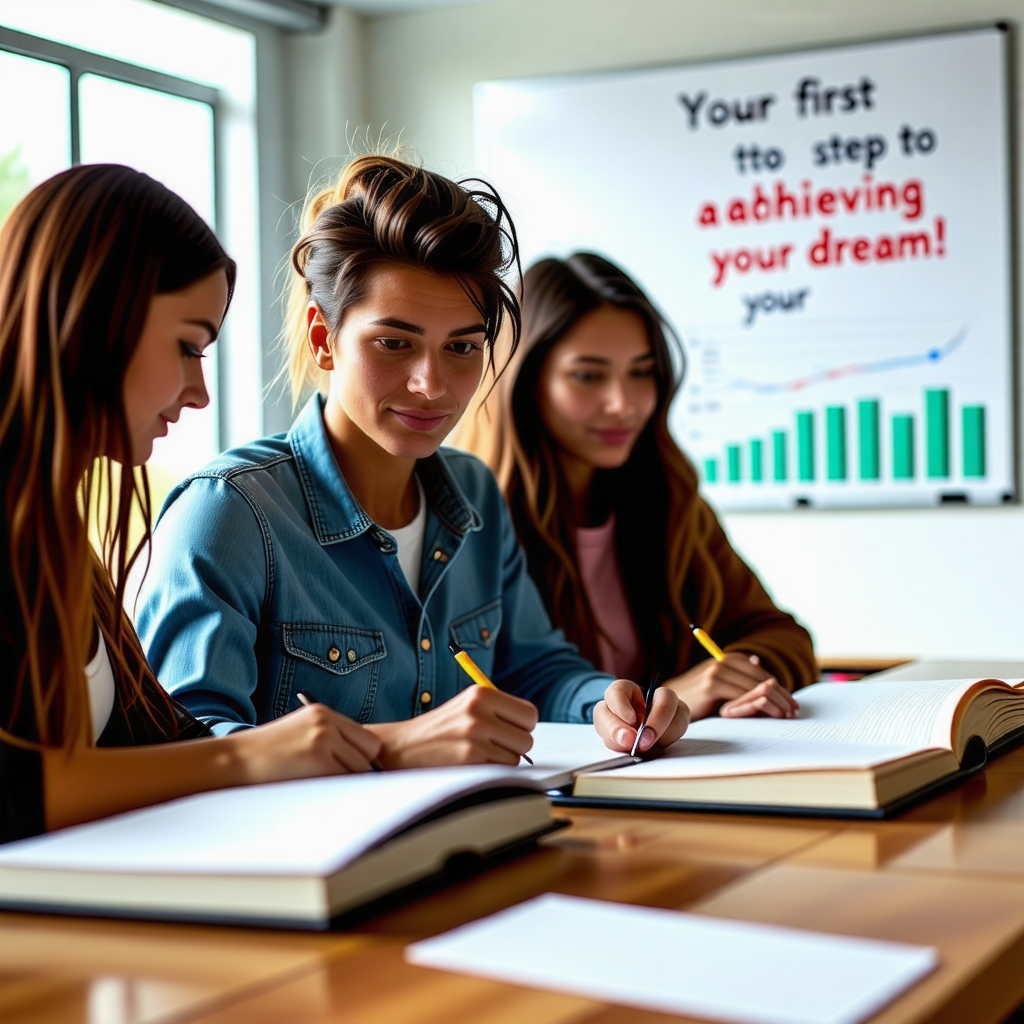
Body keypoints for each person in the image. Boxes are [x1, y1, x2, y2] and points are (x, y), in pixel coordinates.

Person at [136, 156, 688, 765]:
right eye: (394, 343)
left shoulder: (475, 494)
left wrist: (605, 704)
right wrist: (388, 748)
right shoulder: (230, 514)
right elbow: (188, 752)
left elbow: (536, 670)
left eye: (462, 347)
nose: (432, 384)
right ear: (323, 339)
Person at [1, 165, 384, 844]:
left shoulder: (54, 535)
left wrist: (385, 749)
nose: (199, 393)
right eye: (187, 346)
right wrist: (245, 757)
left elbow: (160, 744)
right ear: (89, 316)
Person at [457, 252, 816, 720]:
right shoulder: (470, 522)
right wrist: (669, 696)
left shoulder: (671, 499)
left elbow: (782, 635)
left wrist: (739, 676)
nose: (622, 403)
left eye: (642, 372)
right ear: (524, 381)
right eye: (588, 376)